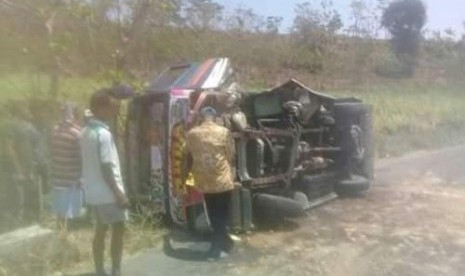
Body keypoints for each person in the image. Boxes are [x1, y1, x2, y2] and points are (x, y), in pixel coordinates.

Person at [80, 89, 129, 276]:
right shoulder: (103, 134)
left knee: (100, 231)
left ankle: (100, 270)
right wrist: (118, 193)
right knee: (118, 229)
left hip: (93, 193)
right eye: (112, 107)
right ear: (100, 108)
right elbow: (106, 166)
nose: (115, 110)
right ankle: (116, 270)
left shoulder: (85, 132)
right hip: (109, 193)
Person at [185, 106, 236, 260]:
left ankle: (224, 242)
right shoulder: (223, 132)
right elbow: (231, 155)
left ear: (201, 118)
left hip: (204, 182)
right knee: (221, 216)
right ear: (214, 118)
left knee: (213, 214)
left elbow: (188, 155)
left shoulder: (192, 134)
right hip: (222, 182)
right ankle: (216, 250)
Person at [4, 100, 41, 223]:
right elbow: (9, 148)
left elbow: (36, 144)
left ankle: (27, 220)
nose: (28, 110)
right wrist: (19, 169)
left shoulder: (28, 126)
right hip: (15, 170)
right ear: (19, 110)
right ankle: (15, 224)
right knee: (17, 199)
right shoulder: (10, 125)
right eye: (25, 108)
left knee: (28, 198)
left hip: (28, 168)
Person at [50, 103, 83, 228]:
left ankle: (60, 223)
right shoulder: (77, 133)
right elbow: (81, 156)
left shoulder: (54, 130)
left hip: (58, 172)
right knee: (71, 202)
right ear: (74, 115)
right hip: (72, 175)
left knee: (60, 201)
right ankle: (69, 226)